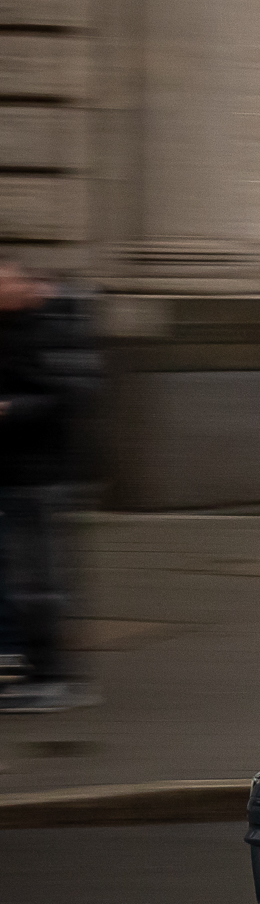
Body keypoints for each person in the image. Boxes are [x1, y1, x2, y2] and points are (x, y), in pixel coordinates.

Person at [0, 259, 99, 712]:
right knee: (19, 578)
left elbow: (68, 394)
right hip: (15, 471)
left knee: (37, 580)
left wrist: (11, 409)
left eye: (5, 281)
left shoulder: (55, 328)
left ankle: (51, 677)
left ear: (28, 285)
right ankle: (26, 664)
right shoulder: (16, 326)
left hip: (41, 475)